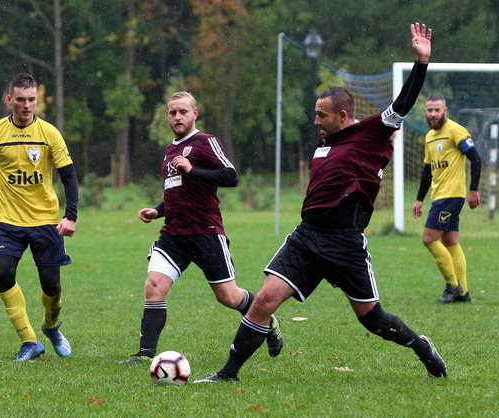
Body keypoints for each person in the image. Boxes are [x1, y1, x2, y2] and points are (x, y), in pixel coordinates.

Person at [195, 23, 447, 383]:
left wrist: (421, 62)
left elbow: (403, 103)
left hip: (344, 242)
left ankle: (421, 346)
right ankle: (227, 374)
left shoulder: (370, 133)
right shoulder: (325, 141)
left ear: (343, 115)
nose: (315, 121)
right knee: (264, 300)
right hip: (307, 237)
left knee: (373, 320)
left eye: (321, 115)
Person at [119, 91, 283, 364]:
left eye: (183, 111)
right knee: (154, 285)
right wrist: (157, 211)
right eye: (173, 112)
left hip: (205, 232)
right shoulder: (170, 150)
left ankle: (268, 319)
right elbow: (177, 191)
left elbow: (230, 176)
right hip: (173, 235)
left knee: (228, 297)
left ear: (195, 114)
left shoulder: (205, 142)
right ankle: (145, 354)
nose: (177, 116)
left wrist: (192, 169)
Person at [0, 73, 78, 361]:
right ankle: (29, 341)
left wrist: (70, 216)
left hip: (45, 220)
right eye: (20, 99)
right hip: (7, 221)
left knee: (52, 286)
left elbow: (68, 176)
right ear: (9, 100)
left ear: (37, 99)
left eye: (31, 99)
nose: (26, 105)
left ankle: (50, 326)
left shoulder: (49, 133)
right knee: (2, 272)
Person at [412, 94, 482, 303]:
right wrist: (419, 199)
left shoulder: (455, 130)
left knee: (428, 239)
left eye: (437, 110)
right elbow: (427, 171)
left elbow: (476, 158)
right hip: (439, 196)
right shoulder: (429, 136)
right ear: (425, 112)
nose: (433, 114)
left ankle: (452, 286)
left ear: (445, 110)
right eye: (430, 110)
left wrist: (474, 189)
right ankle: (463, 293)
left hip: (451, 196)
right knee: (450, 242)